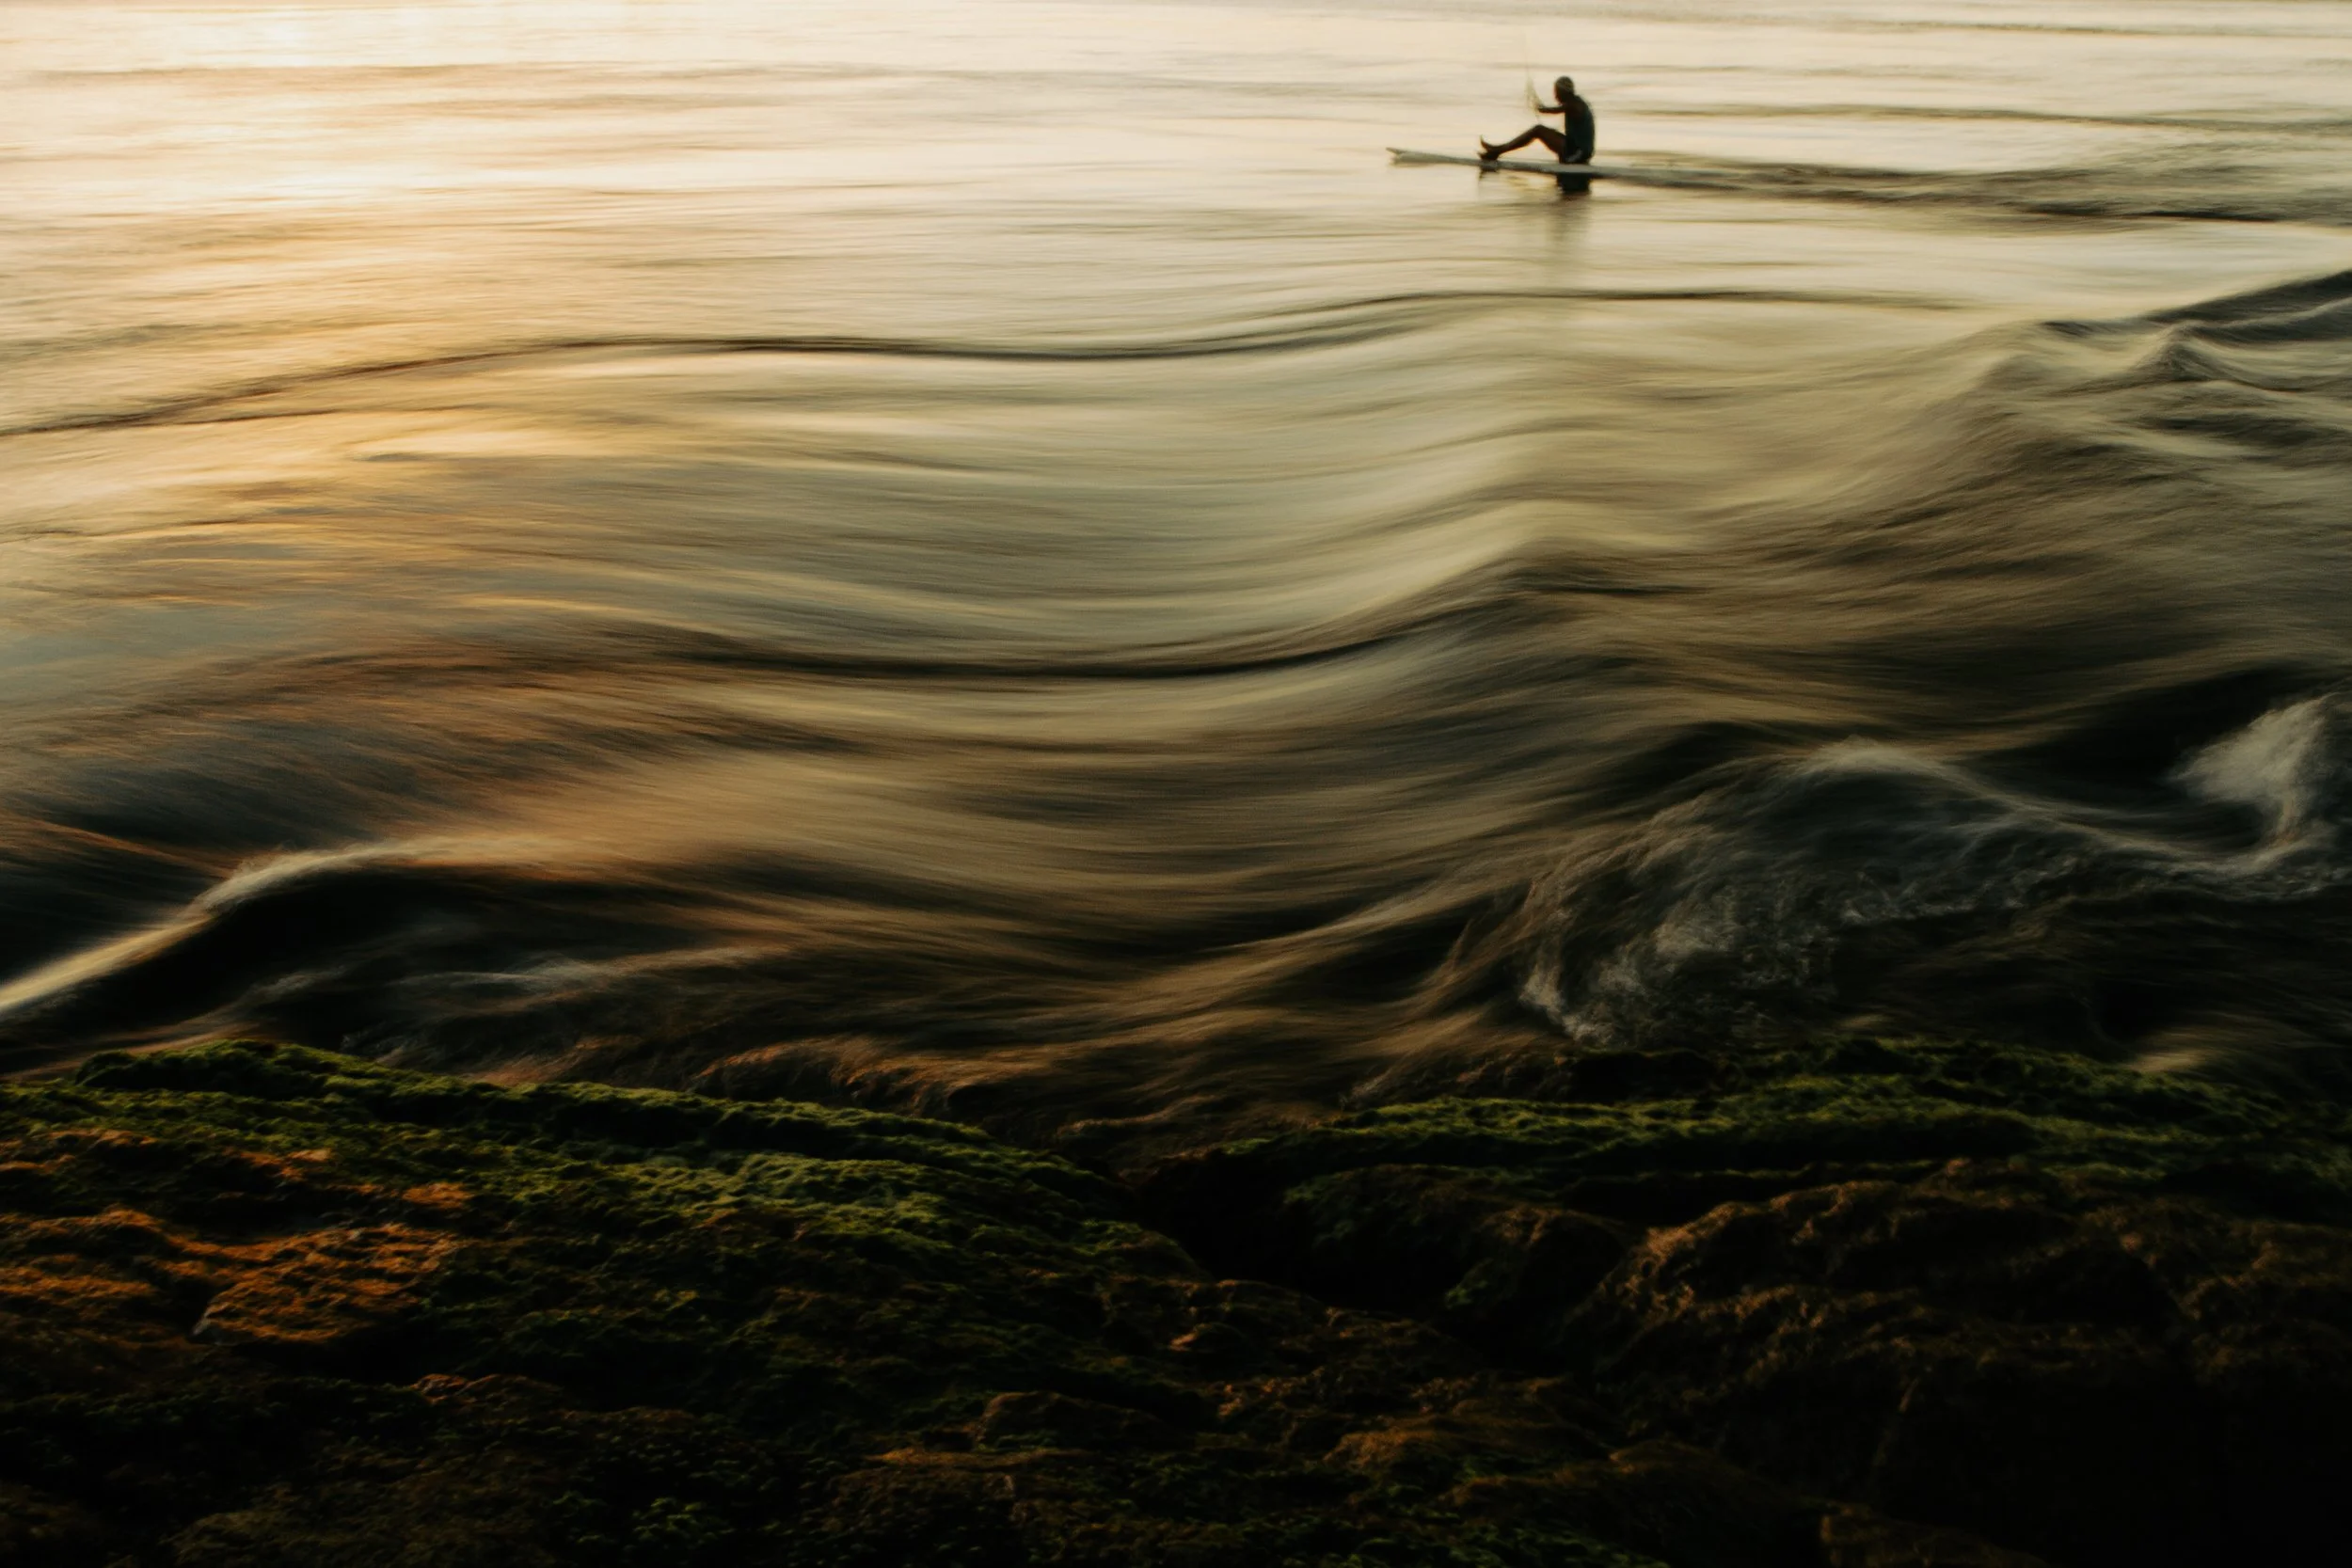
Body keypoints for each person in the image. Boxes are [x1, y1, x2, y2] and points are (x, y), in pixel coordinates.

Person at [1479, 75, 1595, 166]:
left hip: (1578, 153)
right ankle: (1498, 150)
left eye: (1557, 92)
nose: (1555, 96)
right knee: (1541, 130)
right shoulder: (1576, 102)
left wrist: (1540, 107)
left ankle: (1498, 151)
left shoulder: (1574, 105)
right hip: (1578, 151)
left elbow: (1551, 110)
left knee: (1538, 130)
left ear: (1564, 92)